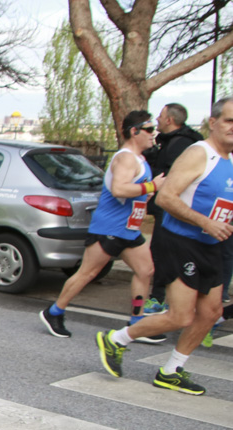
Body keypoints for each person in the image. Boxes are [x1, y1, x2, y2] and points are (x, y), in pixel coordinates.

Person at [96, 97, 233, 396]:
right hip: (181, 241)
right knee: (181, 316)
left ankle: (171, 371)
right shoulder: (199, 154)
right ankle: (115, 339)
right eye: (229, 121)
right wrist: (205, 222)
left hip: (211, 244)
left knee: (210, 313)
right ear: (213, 122)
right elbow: (166, 198)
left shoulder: (231, 160)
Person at [40, 111, 164, 340]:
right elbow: (119, 188)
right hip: (108, 228)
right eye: (148, 129)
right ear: (134, 131)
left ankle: (136, 324)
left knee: (146, 271)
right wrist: (151, 188)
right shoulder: (126, 158)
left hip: (129, 228)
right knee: (87, 273)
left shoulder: (141, 160)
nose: (152, 134)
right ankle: (54, 312)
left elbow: (131, 193)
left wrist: (143, 197)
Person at [142, 103, 205, 314]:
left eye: (160, 116)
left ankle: (158, 299)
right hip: (171, 206)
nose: (157, 119)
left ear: (169, 120)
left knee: (161, 251)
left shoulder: (180, 144)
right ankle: (174, 299)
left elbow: (171, 176)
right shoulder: (174, 142)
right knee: (167, 252)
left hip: (170, 206)